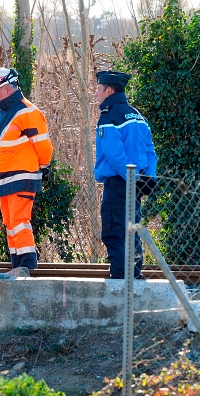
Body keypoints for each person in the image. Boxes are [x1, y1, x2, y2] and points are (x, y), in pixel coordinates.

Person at [0, 67, 54, 271]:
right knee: (10, 222)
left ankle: (26, 264)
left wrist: (42, 166)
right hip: (5, 178)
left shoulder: (29, 112)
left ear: (6, 88)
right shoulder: (2, 113)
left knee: (19, 220)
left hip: (22, 177)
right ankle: (17, 264)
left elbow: (44, 148)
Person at [94, 70, 157, 279]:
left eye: (98, 89)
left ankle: (121, 278)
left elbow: (114, 154)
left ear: (109, 90)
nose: (96, 93)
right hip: (137, 184)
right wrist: (149, 177)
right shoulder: (138, 116)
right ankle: (135, 276)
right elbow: (150, 151)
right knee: (132, 231)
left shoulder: (109, 115)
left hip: (119, 184)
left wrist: (131, 178)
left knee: (114, 231)